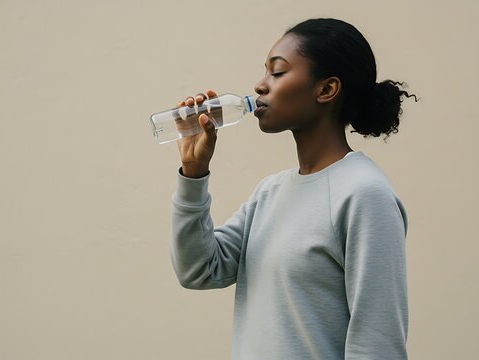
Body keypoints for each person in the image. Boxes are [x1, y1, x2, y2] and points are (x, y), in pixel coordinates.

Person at [169, 18, 418, 360]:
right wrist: (193, 174)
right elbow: (198, 269)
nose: (260, 86)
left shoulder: (364, 194)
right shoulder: (270, 193)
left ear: (326, 89)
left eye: (278, 72)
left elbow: (377, 344)